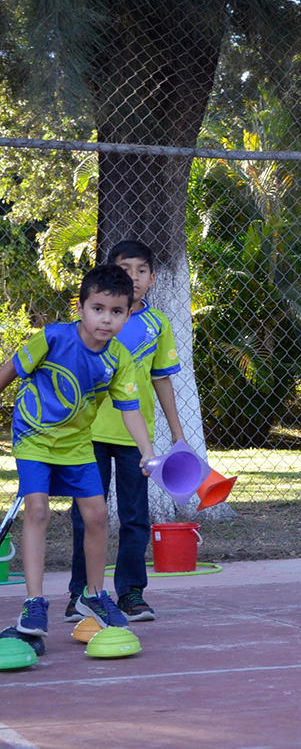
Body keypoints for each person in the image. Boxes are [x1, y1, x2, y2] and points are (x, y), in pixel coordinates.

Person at [0, 265, 154, 638]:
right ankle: (34, 602)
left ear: (128, 314)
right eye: (97, 308)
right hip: (34, 439)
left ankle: (93, 595)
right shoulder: (52, 338)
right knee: (37, 510)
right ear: (81, 306)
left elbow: (130, 409)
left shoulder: (119, 359)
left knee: (98, 515)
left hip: (77, 445)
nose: (106, 319)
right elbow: (8, 371)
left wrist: (147, 453)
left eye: (116, 312)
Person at [64, 240, 185, 623]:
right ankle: (81, 594)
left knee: (135, 517)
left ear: (152, 277)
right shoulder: (89, 323)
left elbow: (163, 381)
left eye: (142, 270)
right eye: (126, 268)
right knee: (85, 517)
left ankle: (131, 593)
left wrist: (179, 435)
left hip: (136, 440)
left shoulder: (157, 324)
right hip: (88, 435)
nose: (134, 277)